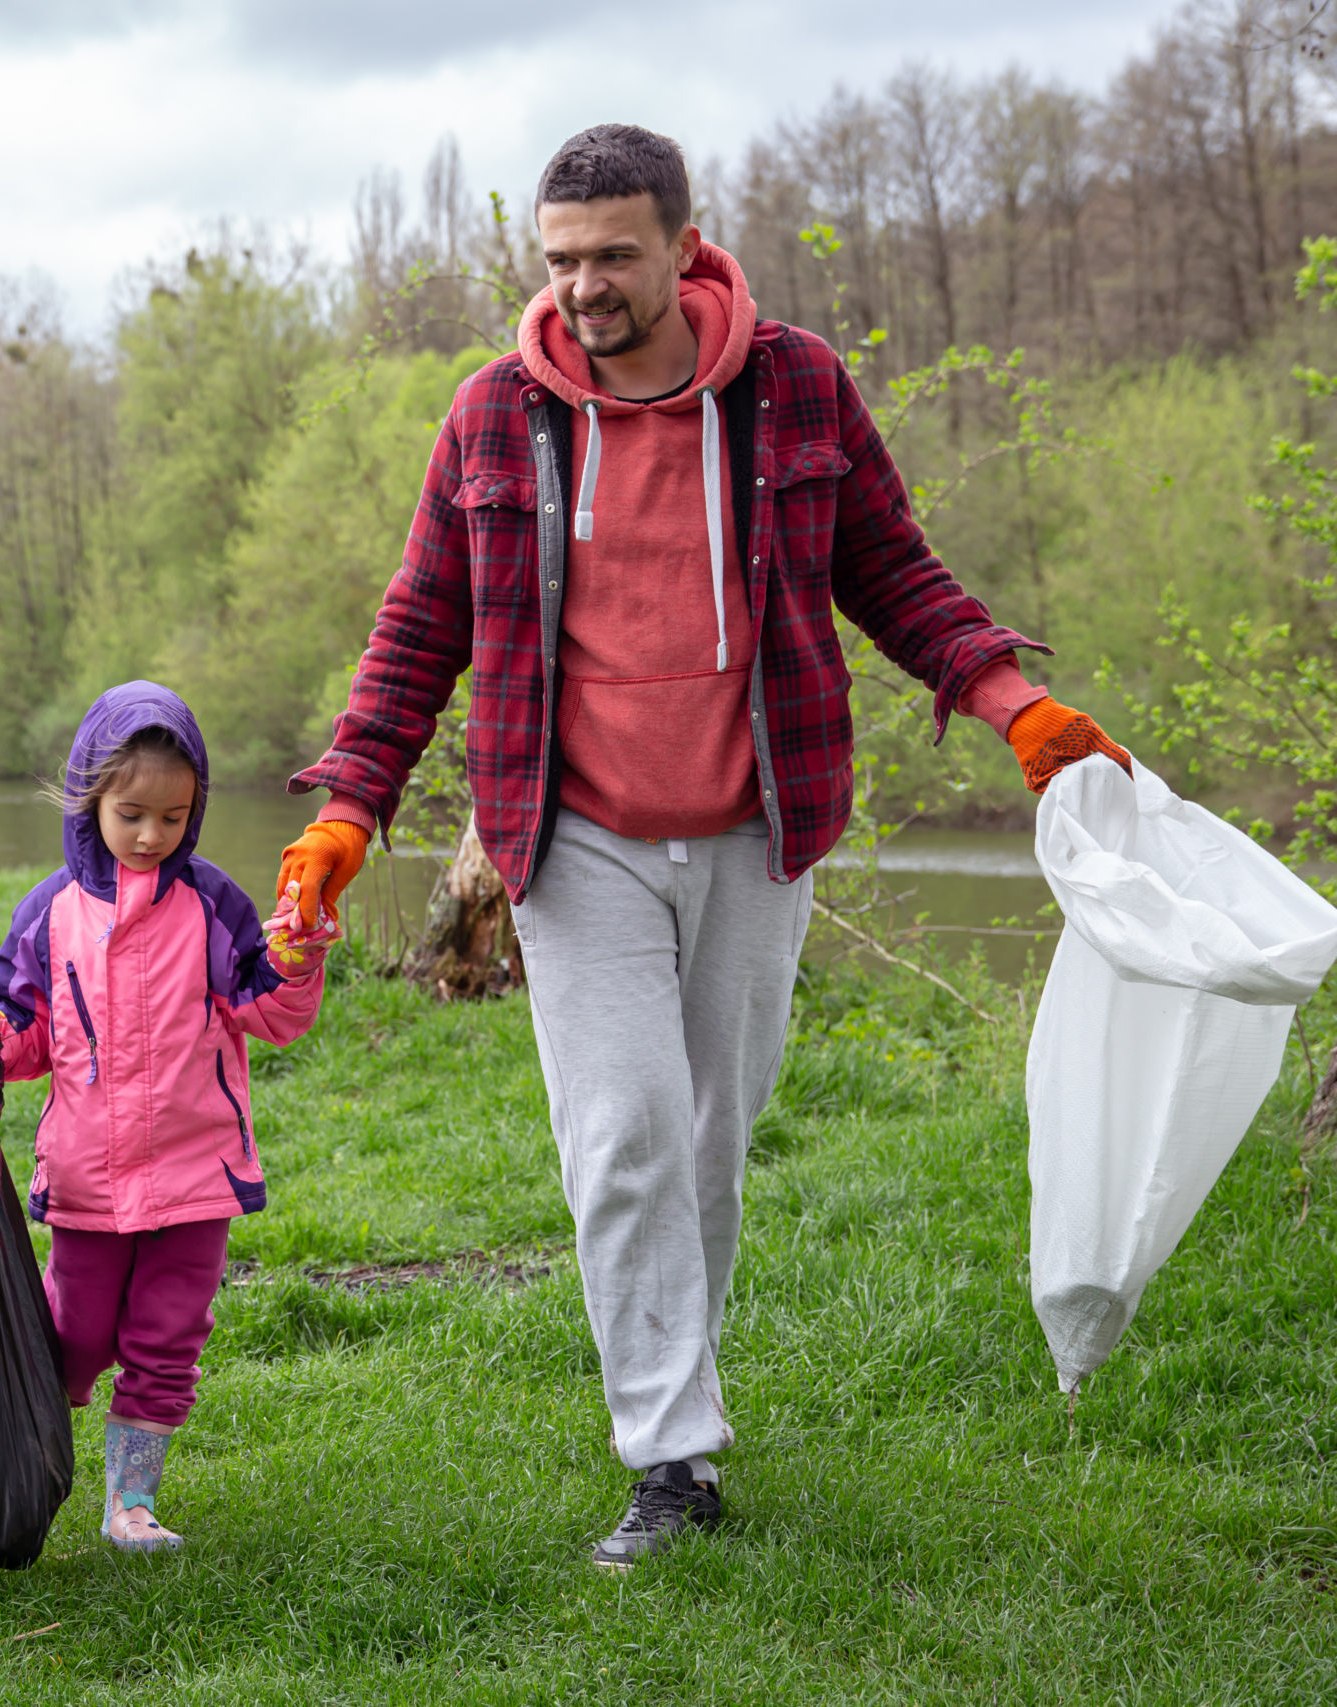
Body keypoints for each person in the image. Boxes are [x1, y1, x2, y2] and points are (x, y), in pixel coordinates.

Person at [279, 124, 1129, 1570]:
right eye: (559, 261)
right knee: (624, 1136)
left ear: (684, 243)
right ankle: (671, 1455)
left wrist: (1011, 699)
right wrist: (349, 803)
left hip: (758, 818)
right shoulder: (493, 416)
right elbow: (419, 624)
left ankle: (682, 1397)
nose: (583, 288)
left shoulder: (794, 384)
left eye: (613, 254)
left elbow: (890, 567)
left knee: (709, 1146)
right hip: (574, 833)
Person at [0, 682, 337, 1552]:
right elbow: (26, 1031)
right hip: (87, 1178)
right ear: (88, 801)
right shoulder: (50, 913)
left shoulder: (213, 904)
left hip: (195, 1175)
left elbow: (272, 1011)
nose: (153, 834)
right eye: (131, 813)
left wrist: (295, 957)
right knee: (72, 1336)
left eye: (174, 815)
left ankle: (131, 1503)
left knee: (167, 1337)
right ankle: (20, 1458)